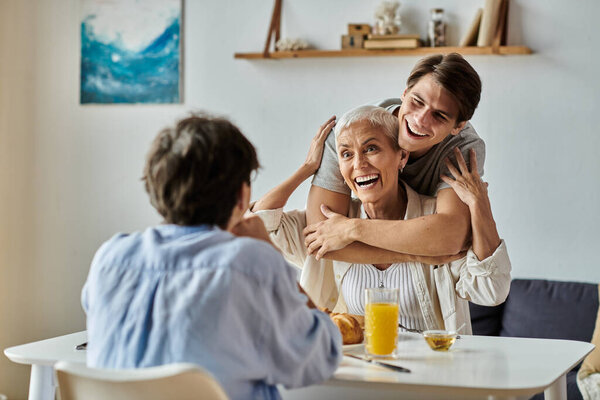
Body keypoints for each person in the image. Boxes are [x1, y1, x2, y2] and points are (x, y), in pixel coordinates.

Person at [81, 114, 342, 400]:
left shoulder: (111, 258)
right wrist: (270, 252)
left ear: (155, 188)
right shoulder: (250, 263)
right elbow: (322, 359)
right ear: (243, 196)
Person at [252, 105, 510, 333]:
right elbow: (259, 225)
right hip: (360, 377)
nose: (359, 164)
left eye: (371, 149)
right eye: (346, 154)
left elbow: (490, 290)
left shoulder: (435, 221)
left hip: (432, 377)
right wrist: (308, 167)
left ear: (402, 157)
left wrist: (479, 203)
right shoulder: (329, 227)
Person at [305, 53, 484, 260]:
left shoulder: (463, 148)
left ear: (458, 126)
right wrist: (417, 257)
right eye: (417, 102)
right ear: (405, 93)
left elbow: (451, 237)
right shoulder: (349, 132)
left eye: (439, 115)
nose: (420, 120)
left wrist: (352, 229)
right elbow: (319, 240)